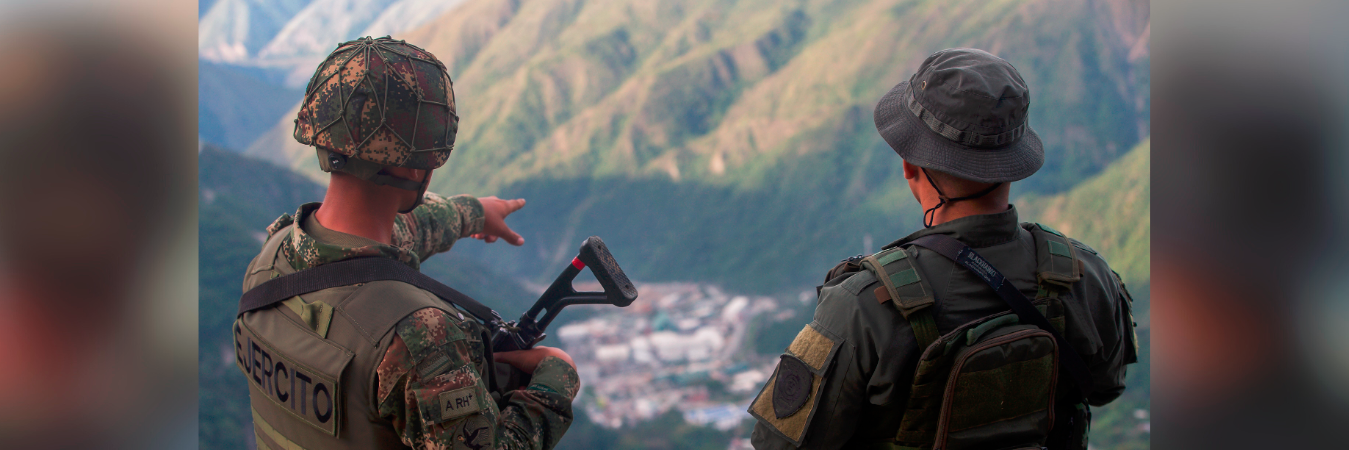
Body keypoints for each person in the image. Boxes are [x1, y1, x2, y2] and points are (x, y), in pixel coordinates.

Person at [748, 48, 1138, 449]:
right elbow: (1106, 387)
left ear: (910, 167)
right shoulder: (1085, 275)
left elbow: (776, 443)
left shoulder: (862, 306)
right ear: (1012, 163)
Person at [234, 37, 579, 450]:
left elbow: (402, 232)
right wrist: (557, 382)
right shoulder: (418, 337)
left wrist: (472, 213)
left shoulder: (269, 262)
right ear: (419, 170)